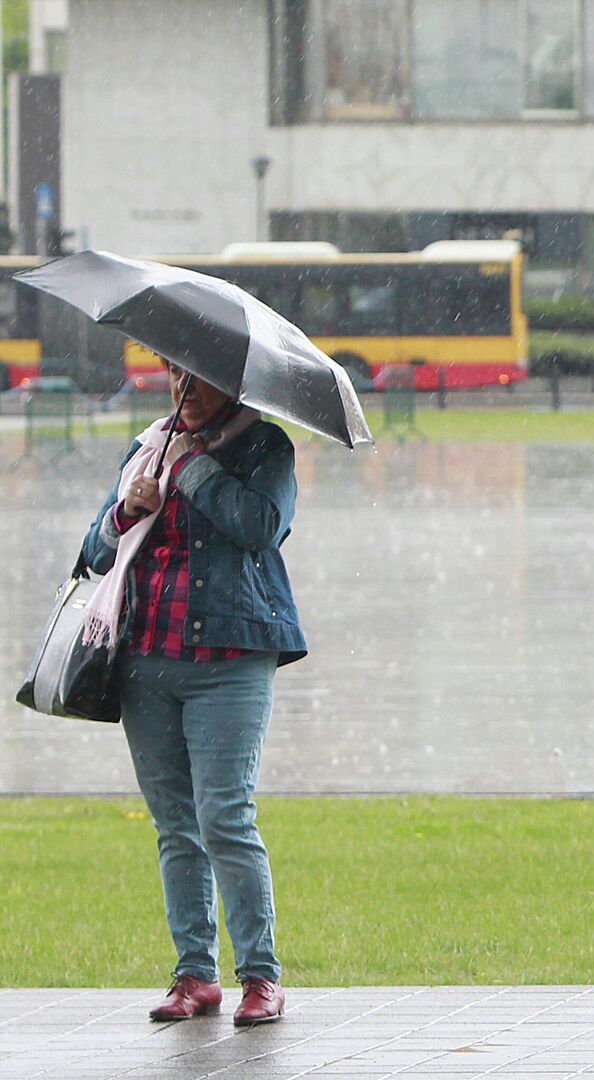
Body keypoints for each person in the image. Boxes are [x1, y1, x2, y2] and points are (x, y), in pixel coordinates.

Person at [80, 359, 305, 1026]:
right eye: (177, 375)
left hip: (230, 658)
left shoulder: (264, 446)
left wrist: (193, 471)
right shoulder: (148, 444)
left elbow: (261, 526)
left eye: (201, 378)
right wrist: (128, 507)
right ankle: (193, 976)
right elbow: (94, 551)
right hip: (145, 659)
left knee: (225, 817)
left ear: (232, 384)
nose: (187, 390)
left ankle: (260, 976)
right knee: (176, 825)